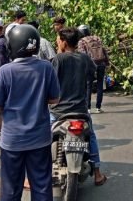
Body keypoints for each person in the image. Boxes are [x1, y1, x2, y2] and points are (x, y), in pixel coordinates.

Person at [0, 24, 60, 201]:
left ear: (11, 46)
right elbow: (54, 99)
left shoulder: (6, 71)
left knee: (10, 190)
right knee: (42, 187)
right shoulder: (46, 68)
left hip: (12, 141)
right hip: (40, 139)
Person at [50, 27, 107, 186]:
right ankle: (97, 173)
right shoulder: (84, 59)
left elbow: (50, 82)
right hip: (81, 110)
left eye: (58, 39)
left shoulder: (58, 59)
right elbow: (92, 74)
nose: (57, 42)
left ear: (64, 42)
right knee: (91, 136)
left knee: (42, 135)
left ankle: (35, 173)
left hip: (58, 111)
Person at [77, 24, 110, 113]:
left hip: (90, 65)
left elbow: (82, 55)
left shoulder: (81, 41)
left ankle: (88, 108)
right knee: (100, 85)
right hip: (101, 64)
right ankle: (98, 107)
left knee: (88, 86)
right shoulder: (97, 38)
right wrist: (107, 63)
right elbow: (104, 51)